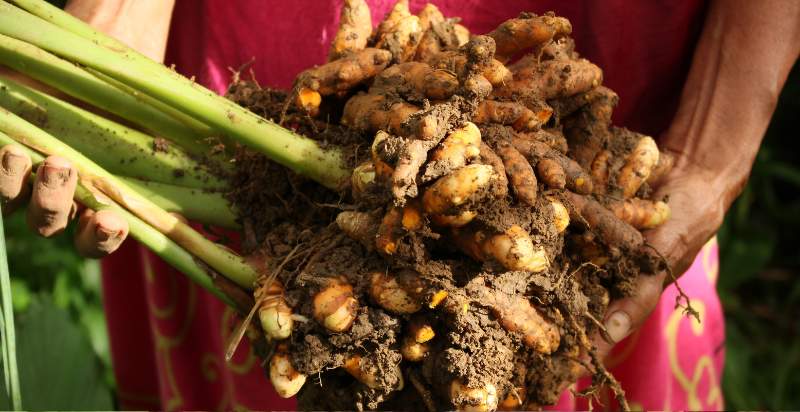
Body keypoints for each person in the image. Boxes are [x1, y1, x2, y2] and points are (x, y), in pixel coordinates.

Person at [0, 0, 797, 409]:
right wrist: (111, 33)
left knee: (590, 306)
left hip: (599, 110)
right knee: (275, 304)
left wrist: (712, 150)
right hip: (246, 117)